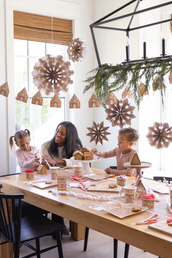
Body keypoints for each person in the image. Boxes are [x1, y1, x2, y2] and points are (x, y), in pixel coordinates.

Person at [41, 121, 83, 235]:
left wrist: (57, 162)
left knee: (68, 194)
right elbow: (47, 166)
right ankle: (58, 226)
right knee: (56, 195)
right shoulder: (46, 146)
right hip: (52, 179)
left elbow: (77, 161)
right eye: (57, 131)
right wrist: (43, 163)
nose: (58, 134)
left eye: (62, 133)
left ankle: (63, 226)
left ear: (69, 137)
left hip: (70, 180)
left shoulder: (76, 148)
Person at [9, 129, 47, 217]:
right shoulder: (18, 152)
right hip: (25, 177)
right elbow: (23, 164)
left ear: (29, 140)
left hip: (37, 176)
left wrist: (42, 161)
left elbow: (39, 162)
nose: (25, 147)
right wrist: (34, 160)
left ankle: (38, 215)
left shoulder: (34, 148)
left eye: (27, 143)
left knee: (40, 194)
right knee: (29, 196)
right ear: (17, 144)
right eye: (22, 145)